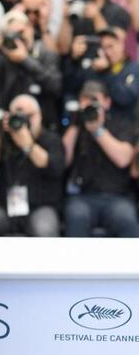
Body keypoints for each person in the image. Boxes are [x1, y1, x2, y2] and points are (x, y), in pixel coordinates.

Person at [0, 94, 65, 237]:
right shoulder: (6, 138)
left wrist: (27, 144)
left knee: (45, 229)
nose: (25, 121)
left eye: (30, 116)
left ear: (40, 115)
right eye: (19, 116)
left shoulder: (51, 139)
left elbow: (54, 167)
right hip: (7, 207)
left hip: (40, 206)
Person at [62, 80, 139, 237]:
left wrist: (98, 130)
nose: (89, 103)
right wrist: (76, 124)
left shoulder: (121, 124)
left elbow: (123, 159)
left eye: (94, 99)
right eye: (85, 99)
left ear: (107, 102)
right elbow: (62, 161)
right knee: (76, 217)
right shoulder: (75, 126)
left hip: (117, 196)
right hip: (82, 196)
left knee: (126, 218)